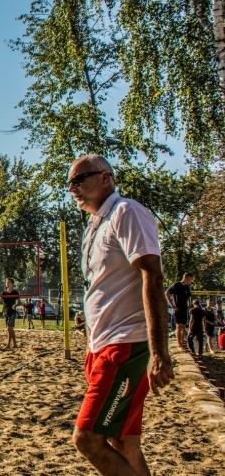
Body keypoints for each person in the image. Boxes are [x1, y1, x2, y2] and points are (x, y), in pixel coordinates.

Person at [67, 154, 173, 476]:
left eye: (79, 179)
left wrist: (159, 353)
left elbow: (152, 276)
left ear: (105, 178)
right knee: (124, 441)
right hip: (102, 345)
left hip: (126, 345)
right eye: (69, 183)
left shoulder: (126, 212)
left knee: (86, 439)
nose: (72, 188)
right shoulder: (94, 224)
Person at [0, 278, 20, 349]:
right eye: (6, 282)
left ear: (12, 284)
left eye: (8, 282)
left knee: (9, 328)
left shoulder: (15, 293)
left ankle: (8, 345)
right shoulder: (3, 293)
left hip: (12, 312)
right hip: (5, 312)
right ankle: (15, 344)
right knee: (10, 329)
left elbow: (19, 302)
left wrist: (15, 305)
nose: (7, 283)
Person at [166, 273, 193, 351]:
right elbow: (166, 293)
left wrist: (189, 305)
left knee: (184, 327)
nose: (191, 281)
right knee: (179, 326)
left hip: (184, 309)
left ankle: (182, 343)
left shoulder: (186, 287)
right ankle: (179, 345)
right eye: (190, 279)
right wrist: (172, 305)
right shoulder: (176, 285)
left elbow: (189, 297)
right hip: (177, 309)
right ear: (187, 278)